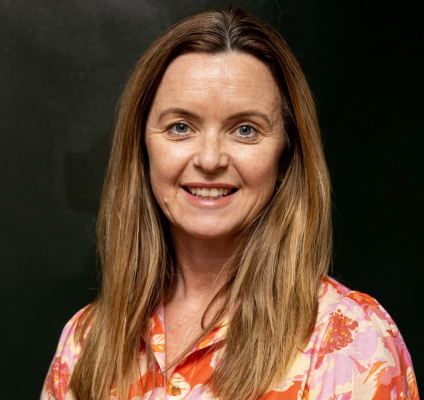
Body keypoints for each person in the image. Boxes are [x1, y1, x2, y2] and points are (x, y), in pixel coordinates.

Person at [40, 6, 419, 400]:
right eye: (181, 127)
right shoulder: (86, 341)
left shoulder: (350, 338)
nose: (209, 160)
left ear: (285, 156)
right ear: (142, 149)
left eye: (245, 129)